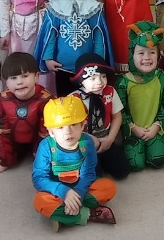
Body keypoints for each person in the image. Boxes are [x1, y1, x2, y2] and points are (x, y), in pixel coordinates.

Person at [32, 97, 117, 231]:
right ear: (51, 131)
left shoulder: (87, 143)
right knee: (40, 201)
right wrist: (64, 192)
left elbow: (88, 174)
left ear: (83, 125)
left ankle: (64, 215)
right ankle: (87, 214)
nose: (68, 131)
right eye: (60, 127)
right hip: (56, 192)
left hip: (82, 187)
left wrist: (78, 193)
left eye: (73, 124)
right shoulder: (45, 146)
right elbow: (39, 178)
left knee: (108, 187)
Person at [34, 0, 112, 96]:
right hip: (61, 66)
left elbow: (98, 36)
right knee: (65, 100)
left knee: (89, 99)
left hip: (89, 68)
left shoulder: (93, 6)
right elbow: (50, 34)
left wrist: (98, 60)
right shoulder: (55, 6)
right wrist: (48, 58)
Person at [116, 21, 164, 171]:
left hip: (155, 129)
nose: (147, 57)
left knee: (159, 160)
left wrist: (157, 126)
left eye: (152, 52)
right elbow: (119, 110)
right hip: (133, 130)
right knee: (135, 164)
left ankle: (153, 145)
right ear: (132, 55)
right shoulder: (123, 82)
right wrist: (132, 127)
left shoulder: (162, 79)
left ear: (158, 55)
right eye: (141, 53)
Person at [0, 52, 53, 173]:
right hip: (13, 138)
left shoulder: (46, 100)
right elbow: (3, 131)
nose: (19, 82)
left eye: (25, 76)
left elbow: (46, 133)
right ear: (6, 82)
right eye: (13, 78)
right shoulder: (2, 100)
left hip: (38, 138)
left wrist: (40, 158)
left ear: (36, 76)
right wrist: (6, 161)